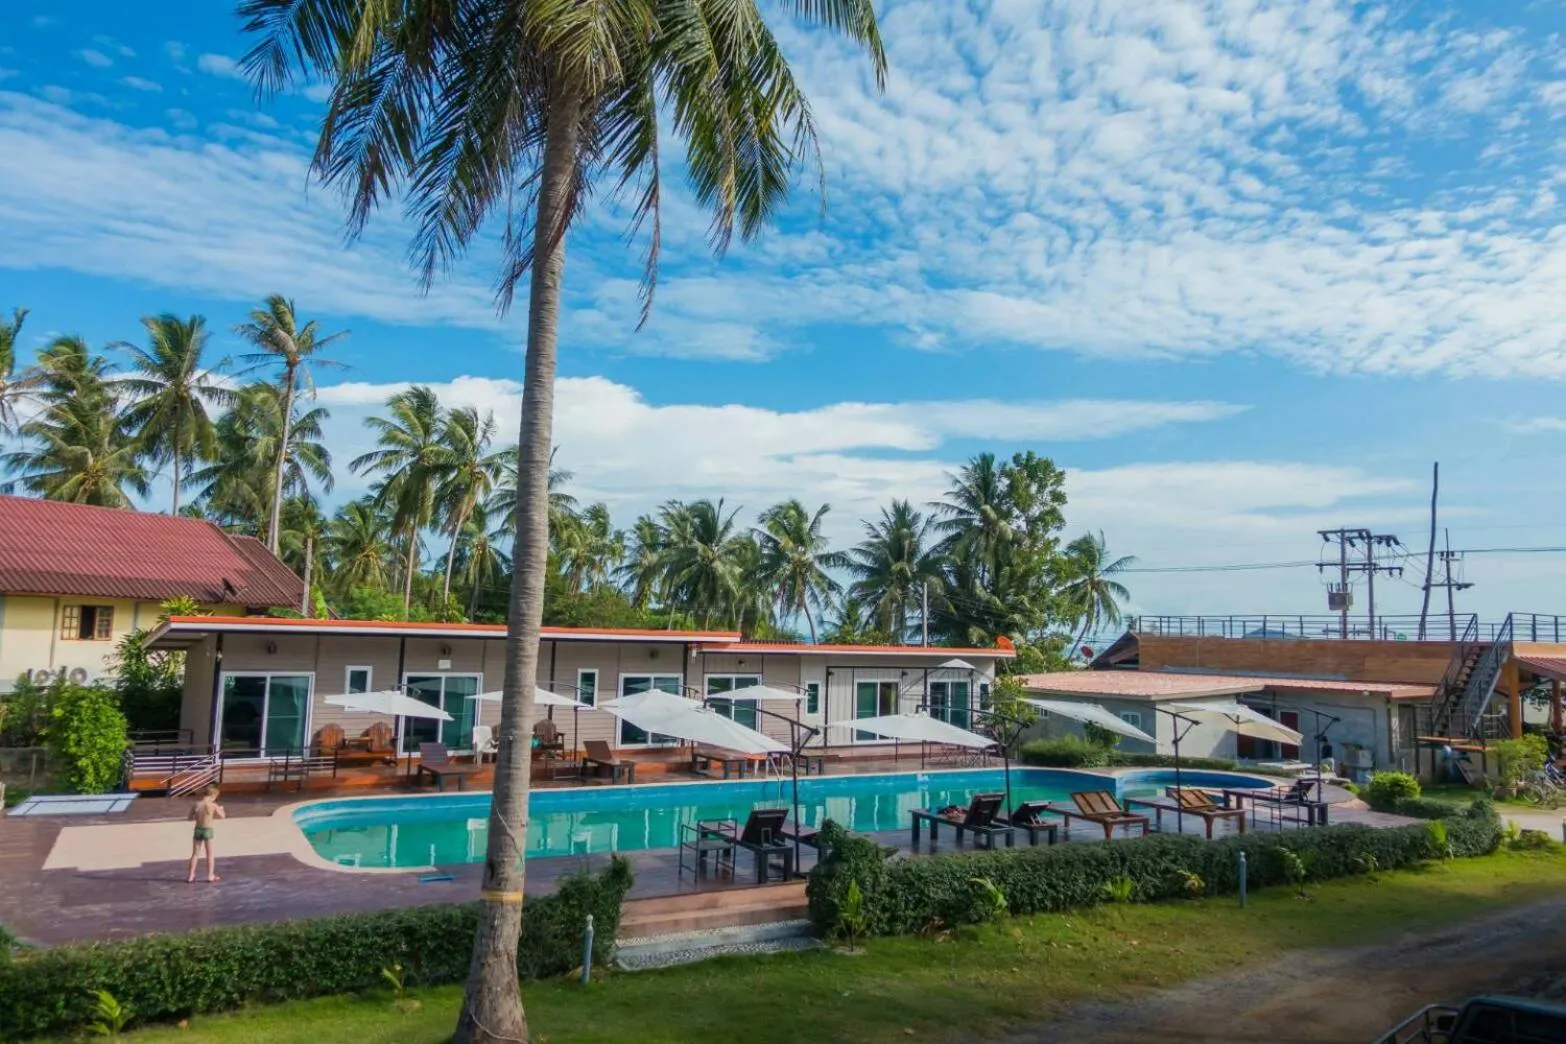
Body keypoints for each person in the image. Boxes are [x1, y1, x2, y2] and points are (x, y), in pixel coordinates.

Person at [187, 784, 226, 883]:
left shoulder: (197, 804)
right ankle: (210, 875)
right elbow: (222, 816)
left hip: (198, 829)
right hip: (208, 830)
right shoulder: (213, 805)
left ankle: (191, 875)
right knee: (210, 854)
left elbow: (189, 818)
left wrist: (197, 816)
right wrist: (221, 809)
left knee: (195, 854)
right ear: (212, 795)